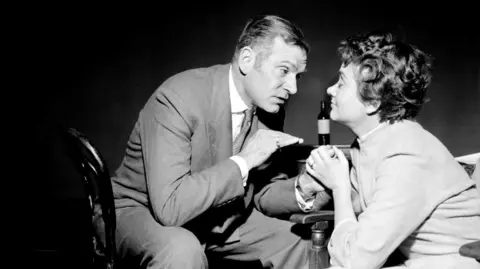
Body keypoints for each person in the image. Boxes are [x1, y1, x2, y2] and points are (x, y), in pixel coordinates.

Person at [110, 14, 329, 269]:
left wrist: (303, 188)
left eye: (297, 76)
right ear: (247, 60)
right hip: (141, 211)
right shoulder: (178, 97)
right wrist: (245, 160)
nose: (292, 88)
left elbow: (262, 191)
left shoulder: (271, 109)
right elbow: (170, 208)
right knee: (181, 250)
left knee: (298, 242)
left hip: (218, 215)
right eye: (284, 71)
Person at [304, 31, 480, 268]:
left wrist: (339, 187)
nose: (331, 90)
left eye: (341, 83)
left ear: (373, 102)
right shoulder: (372, 142)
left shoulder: (406, 155)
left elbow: (355, 261)